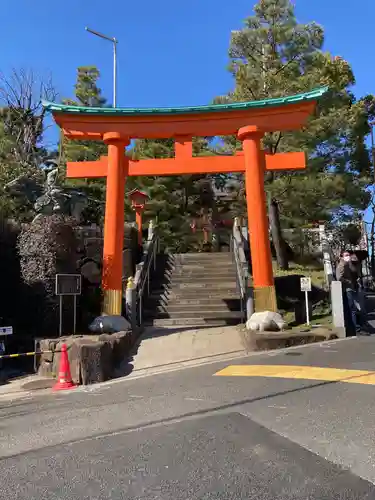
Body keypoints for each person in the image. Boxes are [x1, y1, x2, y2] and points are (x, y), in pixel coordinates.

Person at [336, 250, 365, 335]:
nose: (348, 256)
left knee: (358, 308)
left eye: (348, 255)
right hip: (348, 289)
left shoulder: (350, 264)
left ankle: (359, 326)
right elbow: (339, 277)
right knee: (352, 308)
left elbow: (356, 273)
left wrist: (357, 278)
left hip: (354, 288)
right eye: (346, 255)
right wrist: (349, 282)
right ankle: (356, 328)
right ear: (341, 257)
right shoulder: (341, 265)